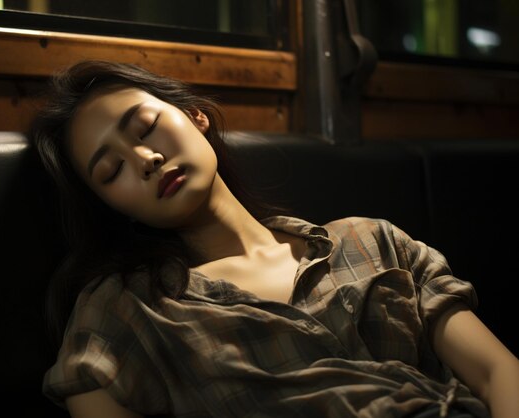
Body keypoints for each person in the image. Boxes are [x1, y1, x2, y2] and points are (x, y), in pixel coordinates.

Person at [31, 59, 519, 418]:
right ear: (112, 205)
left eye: (146, 127)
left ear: (196, 115)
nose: (144, 159)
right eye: (113, 170)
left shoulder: (372, 241)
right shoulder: (127, 309)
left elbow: (499, 372)